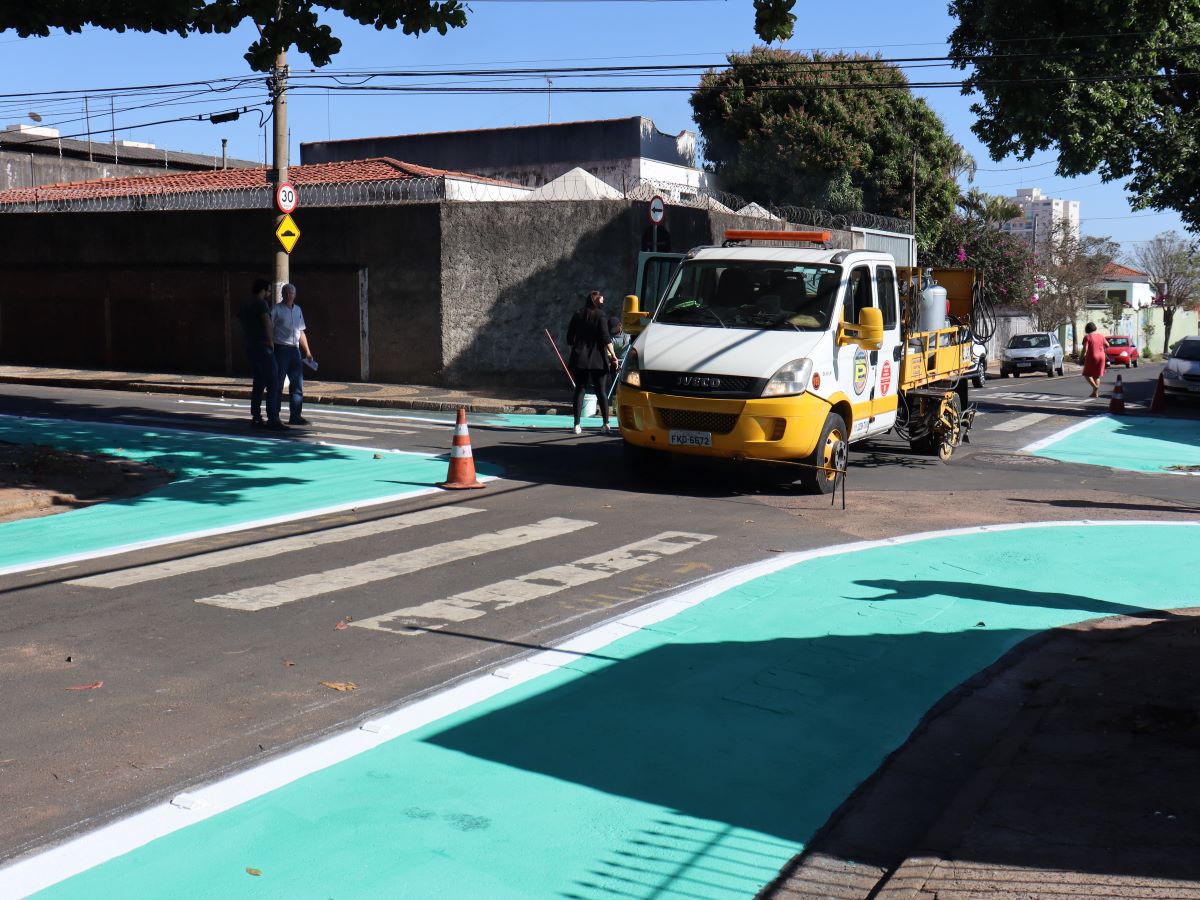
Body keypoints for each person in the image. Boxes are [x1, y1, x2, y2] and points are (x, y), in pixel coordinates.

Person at [566, 290, 619, 435]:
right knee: (601, 391)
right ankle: (605, 423)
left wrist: (573, 352)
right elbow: (606, 337)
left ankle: (576, 424)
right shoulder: (601, 315)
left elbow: (569, 338)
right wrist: (613, 355)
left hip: (579, 357)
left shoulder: (577, 314)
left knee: (580, 390)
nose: (603, 301)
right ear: (597, 300)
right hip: (598, 358)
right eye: (602, 299)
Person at [237, 277, 285, 430]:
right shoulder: (261, 304)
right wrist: (270, 341)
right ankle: (273, 418)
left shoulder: (246, 305)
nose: (269, 294)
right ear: (263, 290)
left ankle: (256, 416)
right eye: (269, 291)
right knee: (273, 382)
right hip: (263, 347)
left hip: (251, 346)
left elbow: (239, 323)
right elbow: (267, 322)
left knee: (258, 383)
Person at [269, 283, 315, 426]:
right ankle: (274, 416)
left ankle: (295, 415)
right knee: (278, 384)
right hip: (281, 349)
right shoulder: (276, 309)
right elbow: (269, 328)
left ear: (295, 295)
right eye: (288, 293)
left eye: (292, 293)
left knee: (297, 384)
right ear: (283, 294)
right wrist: (270, 346)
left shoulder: (298, 310)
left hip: (295, 350)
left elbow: (301, 331)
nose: (290, 295)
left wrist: (307, 351)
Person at [1081, 322, 1108, 398]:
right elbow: (1107, 345)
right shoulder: (1101, 336)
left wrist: (1081, 358)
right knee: (1096, 375)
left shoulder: (1087, 337)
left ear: (1087, 329)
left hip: (1092, 356)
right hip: (1102, 356)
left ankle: (1095, 387)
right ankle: (1095, 393)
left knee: (1086, 374)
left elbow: (1085, 349)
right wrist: (1103, 351)